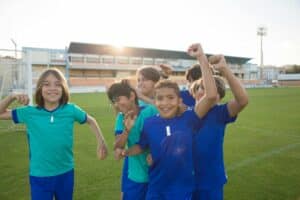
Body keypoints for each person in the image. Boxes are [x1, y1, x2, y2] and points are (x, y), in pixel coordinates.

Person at [122, 43, 218, 200]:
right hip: (155, 189)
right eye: (160, 98)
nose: (165, 103)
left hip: (181, 191)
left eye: (170, 98)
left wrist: (201, 58)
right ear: (155, 100)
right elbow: (141, 145)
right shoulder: (150, 122)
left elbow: (211, 96)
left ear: (180, 100)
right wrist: (125, 152)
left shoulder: (189, 119)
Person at [0, 68, 108, 200]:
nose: (52, 88)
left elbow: (91, 120)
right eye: (46, 84)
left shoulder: (71, 110)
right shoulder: (29, 112)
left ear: (63, 89)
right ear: (40, 88)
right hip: (40, 176)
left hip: (66, 173)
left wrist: (101, 141)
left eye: (57, 84)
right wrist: (12, 96)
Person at [191, 55, 249, 200]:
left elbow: (242, 101)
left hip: (211, 180)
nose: (204, 92)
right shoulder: (185, 113)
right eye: (200, 88)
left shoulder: (220, 113)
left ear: (219, 97)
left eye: (211, 90)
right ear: (194, 92)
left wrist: (224, 69)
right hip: (184, 179)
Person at [107, 80, 158, 200]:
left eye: (119, 99)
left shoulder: (151, 111)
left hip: (157, 173)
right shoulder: (121, 118)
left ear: (131, 96)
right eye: (114, 101)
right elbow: (117, 146)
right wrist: (126, 130)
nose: (116, 104)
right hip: (137, 175)